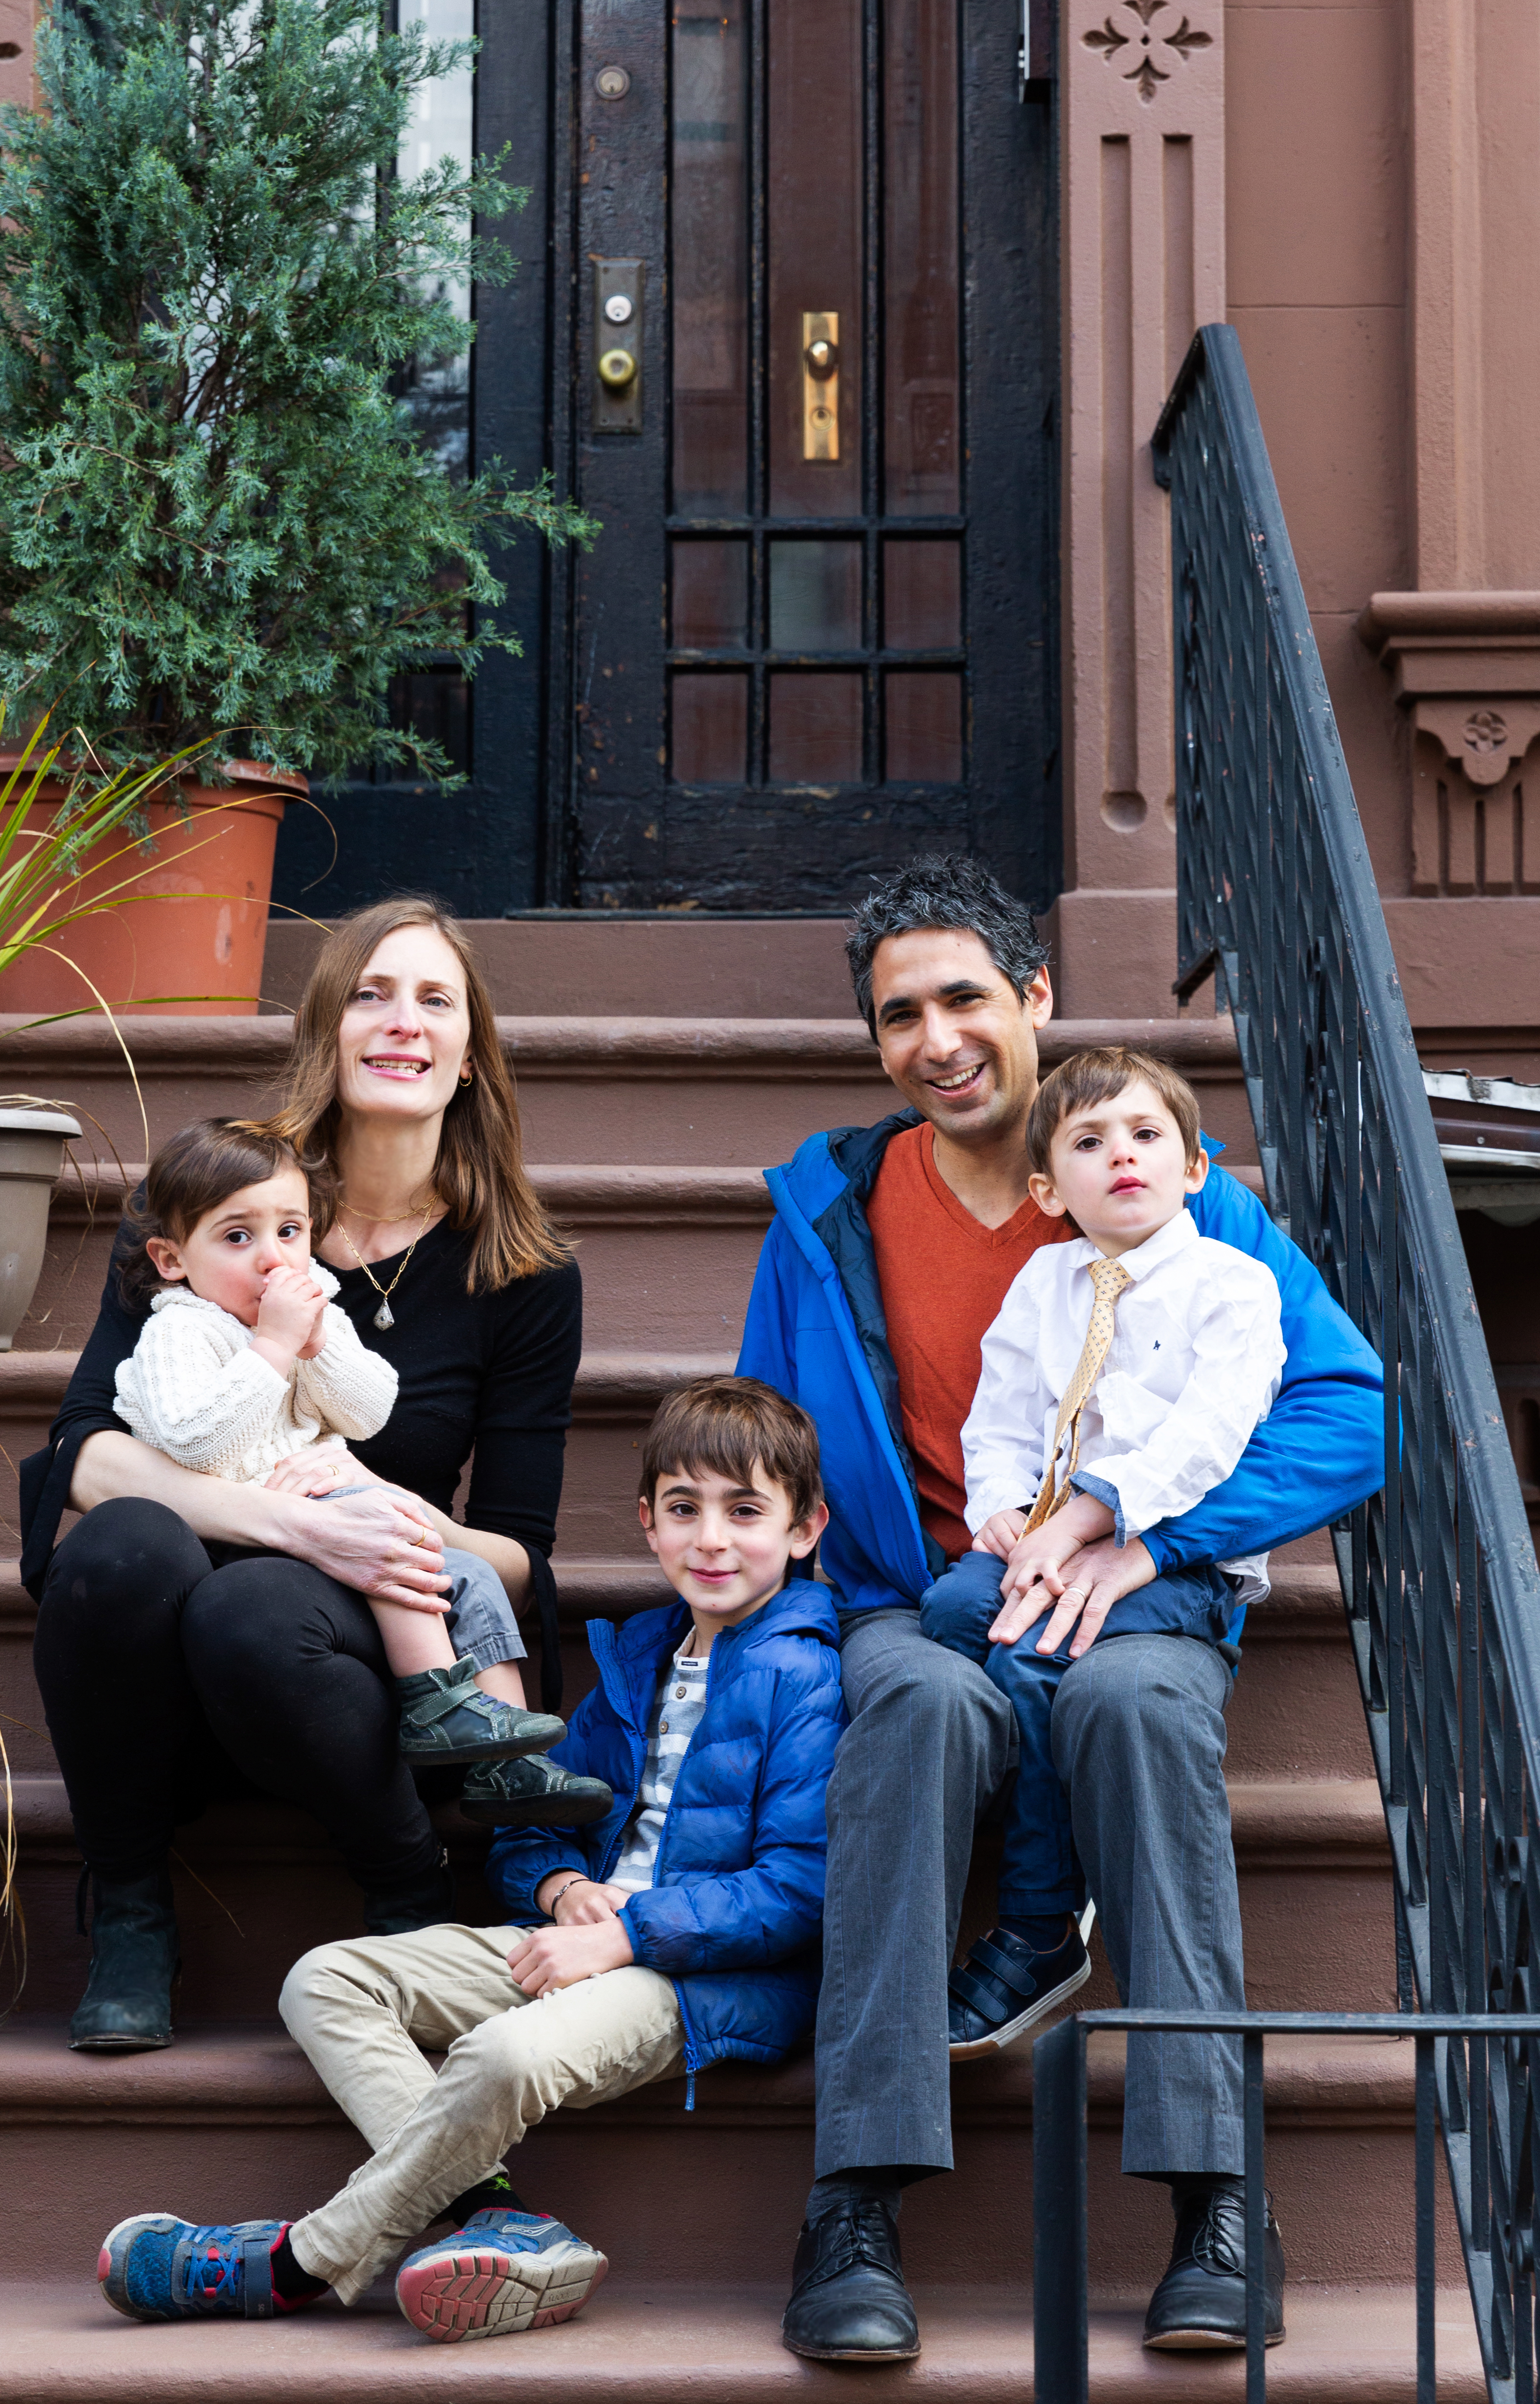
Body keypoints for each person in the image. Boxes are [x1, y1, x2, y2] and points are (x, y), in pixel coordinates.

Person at [738, 854, 1383, 2360]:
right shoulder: (828, 1208)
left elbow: (1344, 1410)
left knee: (1133, 1710)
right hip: (929, 1593)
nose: (936, 1037)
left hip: (1142, 1597)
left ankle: (1217, 2201)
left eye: (964, 995)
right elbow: (768, 1433)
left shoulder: (1154, 1177)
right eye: (899, 1015)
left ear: (1032, 996)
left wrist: (1147, 1541)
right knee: (902, 1700)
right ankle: (851, 2203)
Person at [93, 1376, 843, 2344]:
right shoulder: (638, 1658)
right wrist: (564, 1886)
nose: (710, 1538)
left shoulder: (808, 1674)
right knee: (327, 1978)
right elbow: (533, 1820)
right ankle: (495, 2219)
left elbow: (797, 1892)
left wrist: (624, 1936)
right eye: (683, 1509)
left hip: (706, 1981)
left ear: (803, 1528)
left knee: (498, 2052)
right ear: (649, 1525)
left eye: (745, 1512)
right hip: (577, 1936)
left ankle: (295, 2264)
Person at [19, 897, 592, 2056]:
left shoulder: (521, 1275)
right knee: (124, 1545)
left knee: (256, 1608)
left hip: (348, 1657)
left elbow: (519, 1547)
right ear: (327, 1028)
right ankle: (130, 1908)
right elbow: (85, 1444)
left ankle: (406, 1886)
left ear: (469, 1055)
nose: (402, 1022)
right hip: (170, 1632)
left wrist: (374, 1525)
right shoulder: (222, 1205)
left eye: (436, 1000)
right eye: (372, 994)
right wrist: (281, 1519)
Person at [921, 1047, 1285, 2050]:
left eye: (1143, 1135)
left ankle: (1040, 1921)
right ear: (1047, 1186)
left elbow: (1202, 1439)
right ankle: (1041, 1768)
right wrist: (1000, 1510)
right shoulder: (1043, 1281)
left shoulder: (1232, 1286)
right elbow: (998, 1418)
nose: (1119, 1156)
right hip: (1038, 1532)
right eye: (1087, 1142)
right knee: (953, 1613)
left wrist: (1078, 1524)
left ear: (1192, 1166)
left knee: (1033, 1653)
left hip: (1168, 1558)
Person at [112, 1113, 600, 1788]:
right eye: (236, 1237)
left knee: (465, 1568)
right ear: (172, 1260)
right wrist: (275, 1349)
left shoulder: (311, 1310)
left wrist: (317, 1349)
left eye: (289, 1231)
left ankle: (509, 1762)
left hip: (327, 1500)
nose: (272, 1258)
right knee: (391, 1538)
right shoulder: (181, 1333)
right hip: (240, 1535)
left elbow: (368, 1414)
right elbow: (200, 1446)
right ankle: (434, 1700)